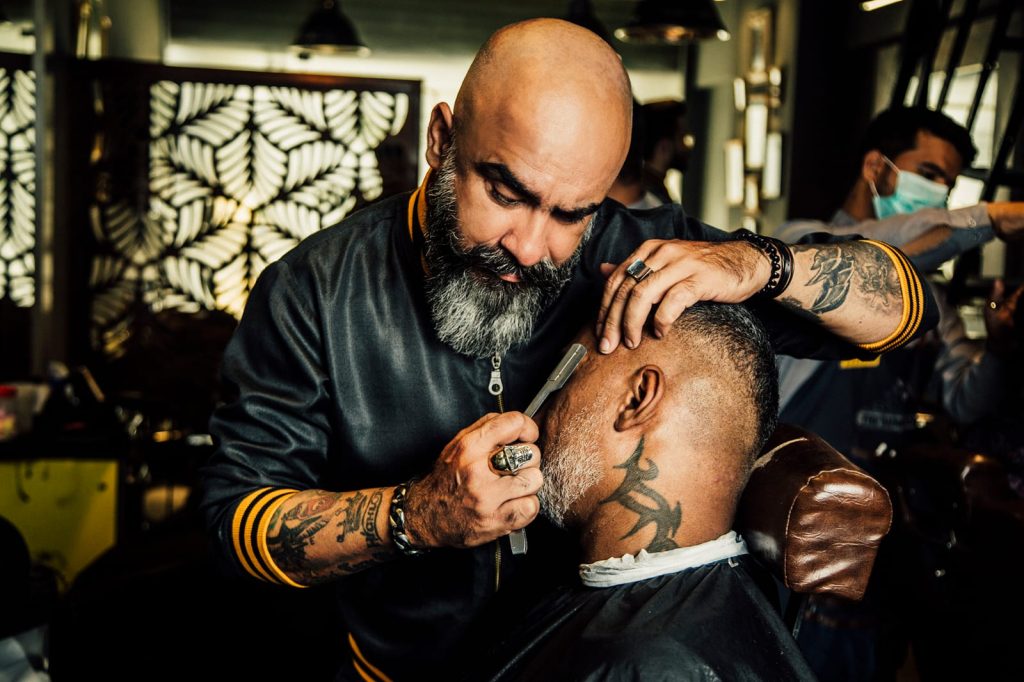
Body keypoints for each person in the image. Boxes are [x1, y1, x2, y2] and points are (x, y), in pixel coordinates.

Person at [200, 20, 935, 680]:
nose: (530, 247)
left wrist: (756, 264)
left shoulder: (642, 251)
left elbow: (904, 310)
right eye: (506, 192)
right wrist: (415, 516)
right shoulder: (315, 291)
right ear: (442, 141)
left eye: (571, 213)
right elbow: (234, 522)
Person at [773, 106, 1024, 681]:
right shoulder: (795, 249)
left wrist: (1001, 350)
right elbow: (866, 259)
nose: (939, 195)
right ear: (877, 168)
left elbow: (964, 399)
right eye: (928, 174)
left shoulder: (927, 299)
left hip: (883, 536)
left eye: (948, 186)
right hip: (792, 517)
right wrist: (990, 218)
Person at [479, 304, 813, 681]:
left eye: (561, 379)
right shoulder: (724, 602)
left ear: (638, 398)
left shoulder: (656, 668)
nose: (534, 418)